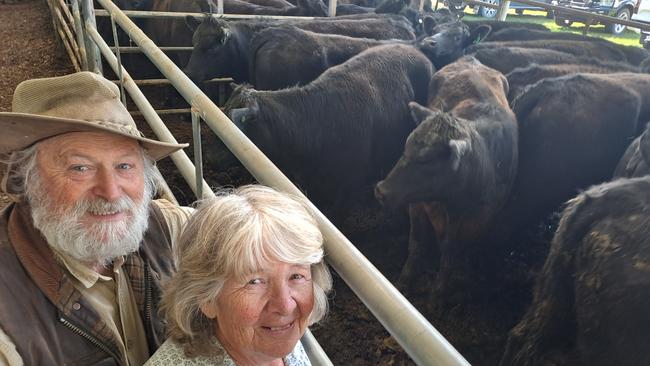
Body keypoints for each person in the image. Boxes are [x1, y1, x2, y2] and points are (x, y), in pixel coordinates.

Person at [0, 71, 193, 366]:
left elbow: (254, 231)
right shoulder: (7, 313)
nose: (111, 192)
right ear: (25, 181)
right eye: (80, 168)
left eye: (125, 165)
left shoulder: (165, 226)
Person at [145, 185, 332, 366]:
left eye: (296, 276)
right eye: (255, 282)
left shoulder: (268, 339)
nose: (285, 306)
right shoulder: (263, 334)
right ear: (206, 297)